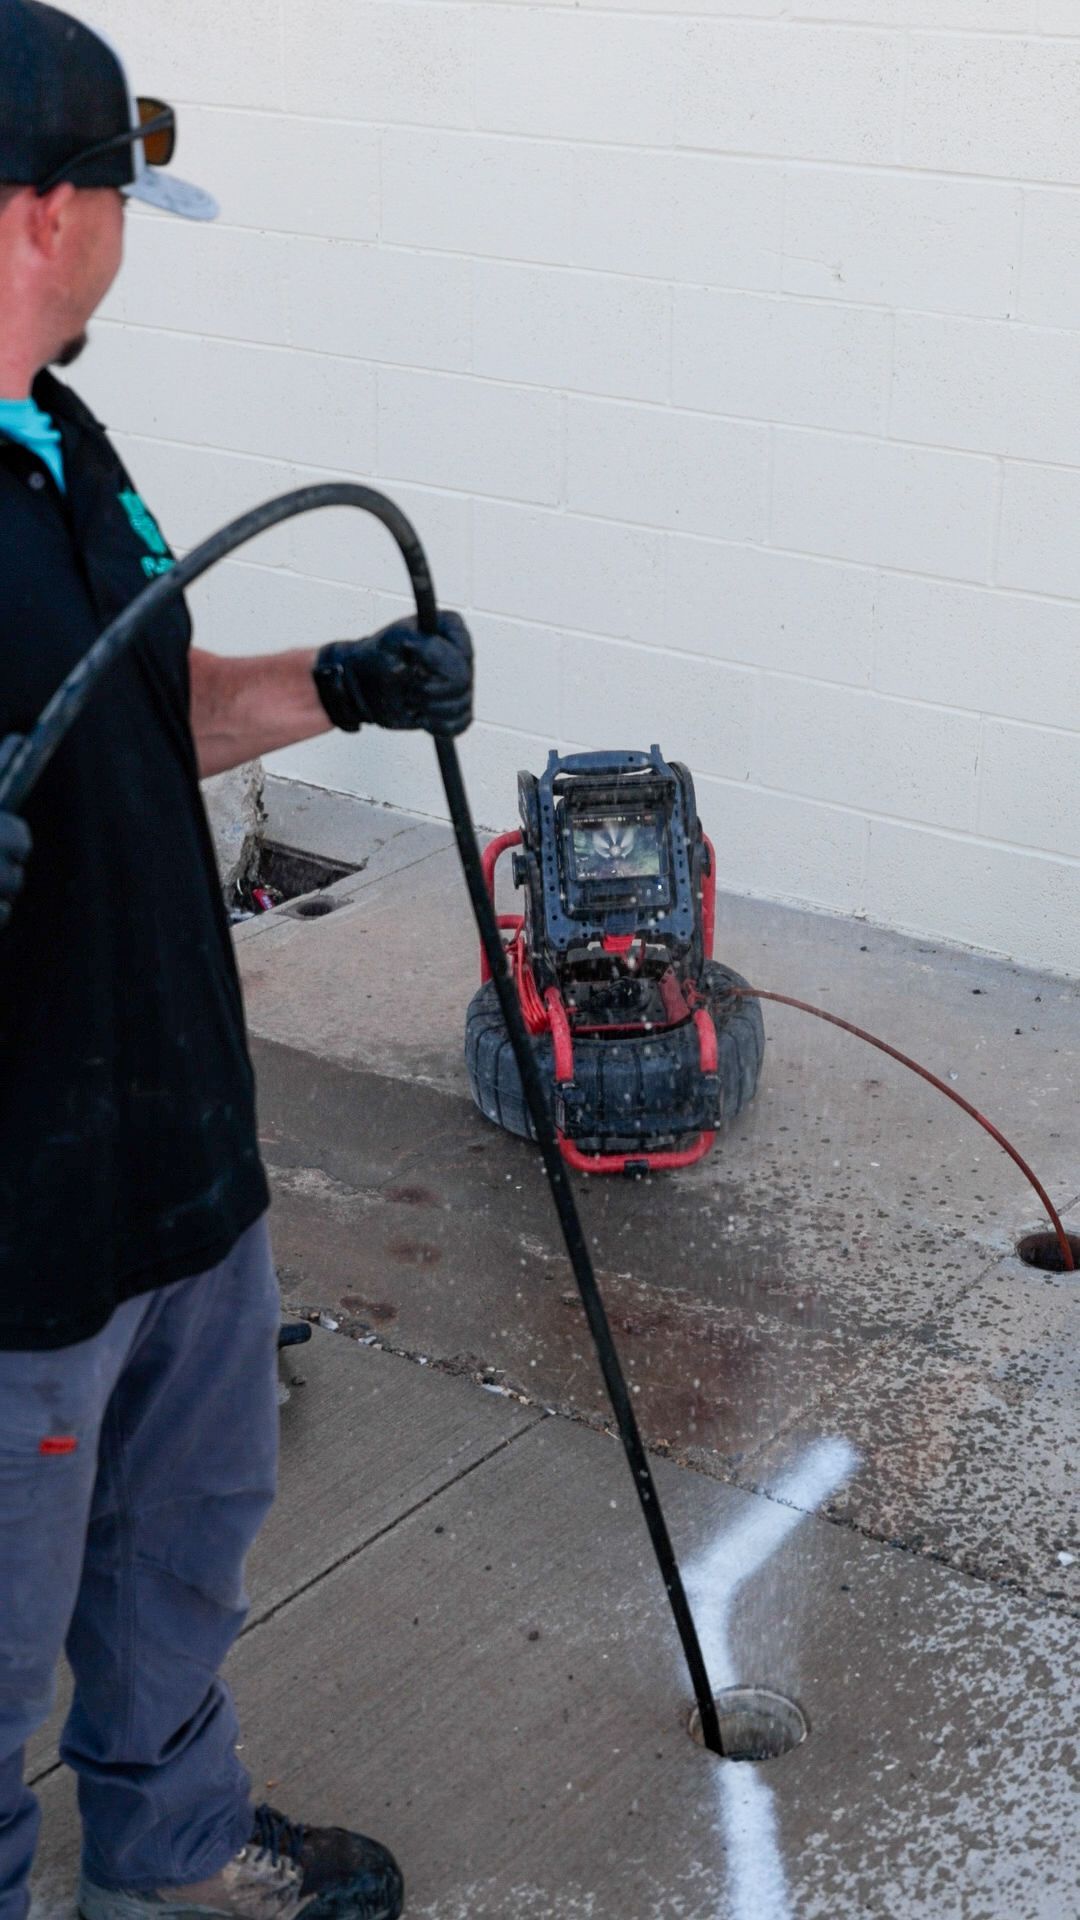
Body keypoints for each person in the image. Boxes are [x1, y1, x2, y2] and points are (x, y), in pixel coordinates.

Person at [0, 6, 474, 1919]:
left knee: (181, 1543)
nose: (127, 240)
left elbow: (150, 707)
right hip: (18, 1233)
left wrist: (340, 687)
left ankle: (173, 1844)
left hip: (181, 1156)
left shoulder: (60, 437)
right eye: (120, 201)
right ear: (48, 210)